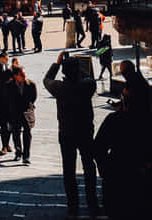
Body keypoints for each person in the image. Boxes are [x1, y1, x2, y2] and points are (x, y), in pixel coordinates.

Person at [94, 84, 152, 220]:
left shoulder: (114, 119)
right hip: (140, 180)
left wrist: (106, 170)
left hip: (116, 178)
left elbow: (98, 148)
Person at [44, 50, 99, 219]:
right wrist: (78, 66)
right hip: (85, 131)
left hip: (66, 133)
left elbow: (47, 79)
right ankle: (92, 204)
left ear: (64, 72)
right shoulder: (87, 86)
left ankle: (73, 207)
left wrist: (58, 63)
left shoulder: (60, 87)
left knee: (69, 171)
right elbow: (89, 77)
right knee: (89, 168)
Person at [6, 64, 36, 165]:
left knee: (27, 132)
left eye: (24, 74)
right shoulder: (9, 85)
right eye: (21, 74)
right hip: (15, 113)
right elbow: (7, 100)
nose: (24, 76)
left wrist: (29, 107)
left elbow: (33, 98)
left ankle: (26, 156)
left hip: (27, 113)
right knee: (16, 133)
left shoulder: (31, 84)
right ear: (15, 76)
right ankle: (18, 152)